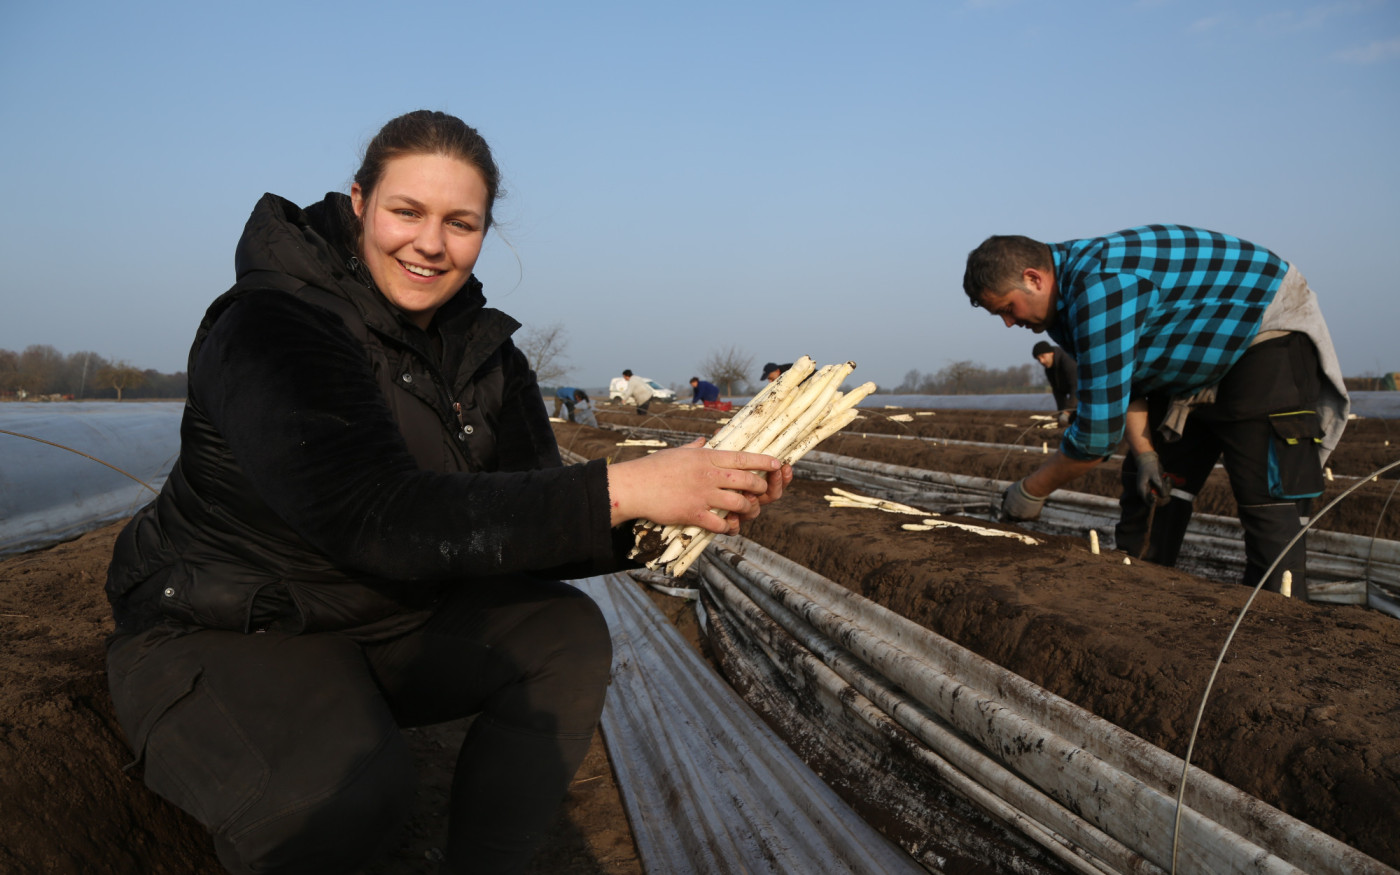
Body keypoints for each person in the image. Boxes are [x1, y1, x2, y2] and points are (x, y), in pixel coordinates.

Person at [103, 110, 792, 875]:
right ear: (360, 202)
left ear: (484, 232)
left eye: (460, 223)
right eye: (408, 212)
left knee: (564, 633)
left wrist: (686, 502)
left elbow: (530, 513)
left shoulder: (485, 355)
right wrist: (625, 486)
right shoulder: (275, 324)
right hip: (228, 624)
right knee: (354, 793)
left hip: (379, 613)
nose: (431, 243)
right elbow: (375, 515)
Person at [963, 225, 1348, 597]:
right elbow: (1125, 383)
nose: (1009, 323)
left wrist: (1032, 490)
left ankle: (1276, 624)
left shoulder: (1102, 290)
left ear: (1033, 279)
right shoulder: (1067, 309)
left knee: (1266, 495)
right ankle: (1138, 599)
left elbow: (1096, 438)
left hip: (1263, 333)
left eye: (1007, 309)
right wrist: (1146, 455)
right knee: (1151, 484)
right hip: (1193, 354)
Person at [1032, 340, 1077, 427]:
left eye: (1043, 356)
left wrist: (1067, 412)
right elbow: (1057, 391)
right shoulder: (1048, 369)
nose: (1041, 361)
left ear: (1051, 353)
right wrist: (1061, 412)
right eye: (1038, 359)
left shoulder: (1068, 361)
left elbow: (1076, 388)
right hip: (1074, 395)